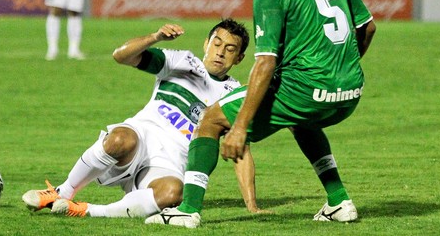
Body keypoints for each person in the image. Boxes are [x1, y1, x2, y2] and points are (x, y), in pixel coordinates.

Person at [146, 0, 377, 228]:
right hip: (350, 91)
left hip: (307, 91)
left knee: (211, 120)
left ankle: (187, 210)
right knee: (302, 121)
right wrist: (340, 69)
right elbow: (368, 27)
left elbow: (265, 62)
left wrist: (238, 127)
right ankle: (339, 202)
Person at [22, 19, 262, 218]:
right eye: (216, 43)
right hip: (140, 139)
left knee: (173, 194)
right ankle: (62, 192)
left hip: (170, 163)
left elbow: (243, 152)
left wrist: (251, 204)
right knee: (118, 139)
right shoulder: (182, 62)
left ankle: (86, 211)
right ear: (206, 43)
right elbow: (121, 56)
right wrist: (155, 37)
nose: (220, 52)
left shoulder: (234, 95)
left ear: (239, 58)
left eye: (230, 49)